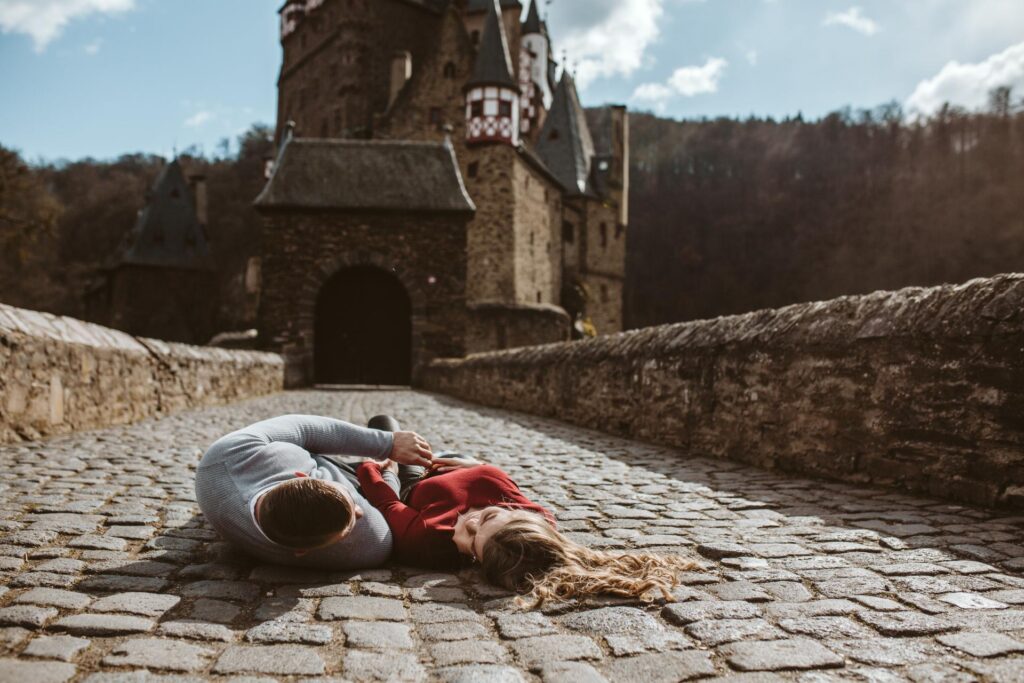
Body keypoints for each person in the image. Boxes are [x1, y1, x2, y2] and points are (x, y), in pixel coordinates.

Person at [356, 457, 697, 606]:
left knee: (385, 427)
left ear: (473, 558)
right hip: (455, 463)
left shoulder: (428, 540)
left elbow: (386, 503)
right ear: (509, 509)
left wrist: (374, 464)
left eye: (474, 539)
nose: (470, 523)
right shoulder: (535, 518)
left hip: (416, 485)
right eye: (488, 516)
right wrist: (474, 468)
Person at [195, 414, 433, 569]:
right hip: (375, 484)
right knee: (388, 424)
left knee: (387, 431)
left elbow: (305, 428)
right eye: (354, 520)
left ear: (300, 475)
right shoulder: (367, 544)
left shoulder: (228, 456)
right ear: (302, 552)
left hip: (326, 465)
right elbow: (384, 508)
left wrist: (388, 443)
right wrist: (389, 473)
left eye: (354, 507)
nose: (360, 511)